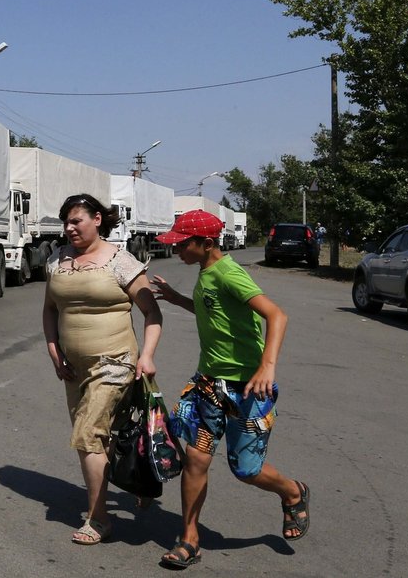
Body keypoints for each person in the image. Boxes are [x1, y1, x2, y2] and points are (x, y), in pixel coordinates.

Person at [149, 209, 310, 569]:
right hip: (209, 386)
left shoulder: (229, 273)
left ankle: (292, 491)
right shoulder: (206, 272)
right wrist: (178, 300)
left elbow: (276, 315)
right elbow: (216, 314)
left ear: (206, 244)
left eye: (182, 244)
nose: (176, 251)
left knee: (247, 470)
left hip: (248, 390)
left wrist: (267, 365)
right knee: (196, 458)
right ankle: (190, 539)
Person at [42, 193, 163, 545]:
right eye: (65, 222)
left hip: (114, 362)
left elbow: (152, 313)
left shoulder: (120, 262)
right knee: (108, 437)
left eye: (76, 221)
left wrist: (148, 355)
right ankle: (140, 480)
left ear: (97, 220)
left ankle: (99, 519)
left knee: (88, 435)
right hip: (73, 367)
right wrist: (54, 351)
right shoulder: (56, 260)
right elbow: (50, 309)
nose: (68, 228)